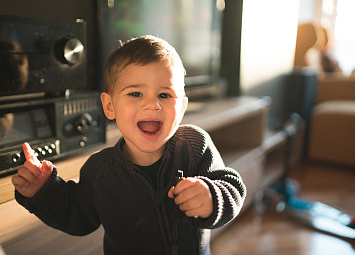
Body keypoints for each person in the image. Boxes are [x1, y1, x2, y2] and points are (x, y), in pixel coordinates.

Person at [12, 35, 246, 255]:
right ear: (110, 106)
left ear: (182, 107)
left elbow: (232, 186)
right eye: (135, 94)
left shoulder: (195, 146)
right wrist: (43, 192)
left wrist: (212, 197)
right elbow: (79, 216)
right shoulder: (99, 171)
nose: (152, 105)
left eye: (165, 95)